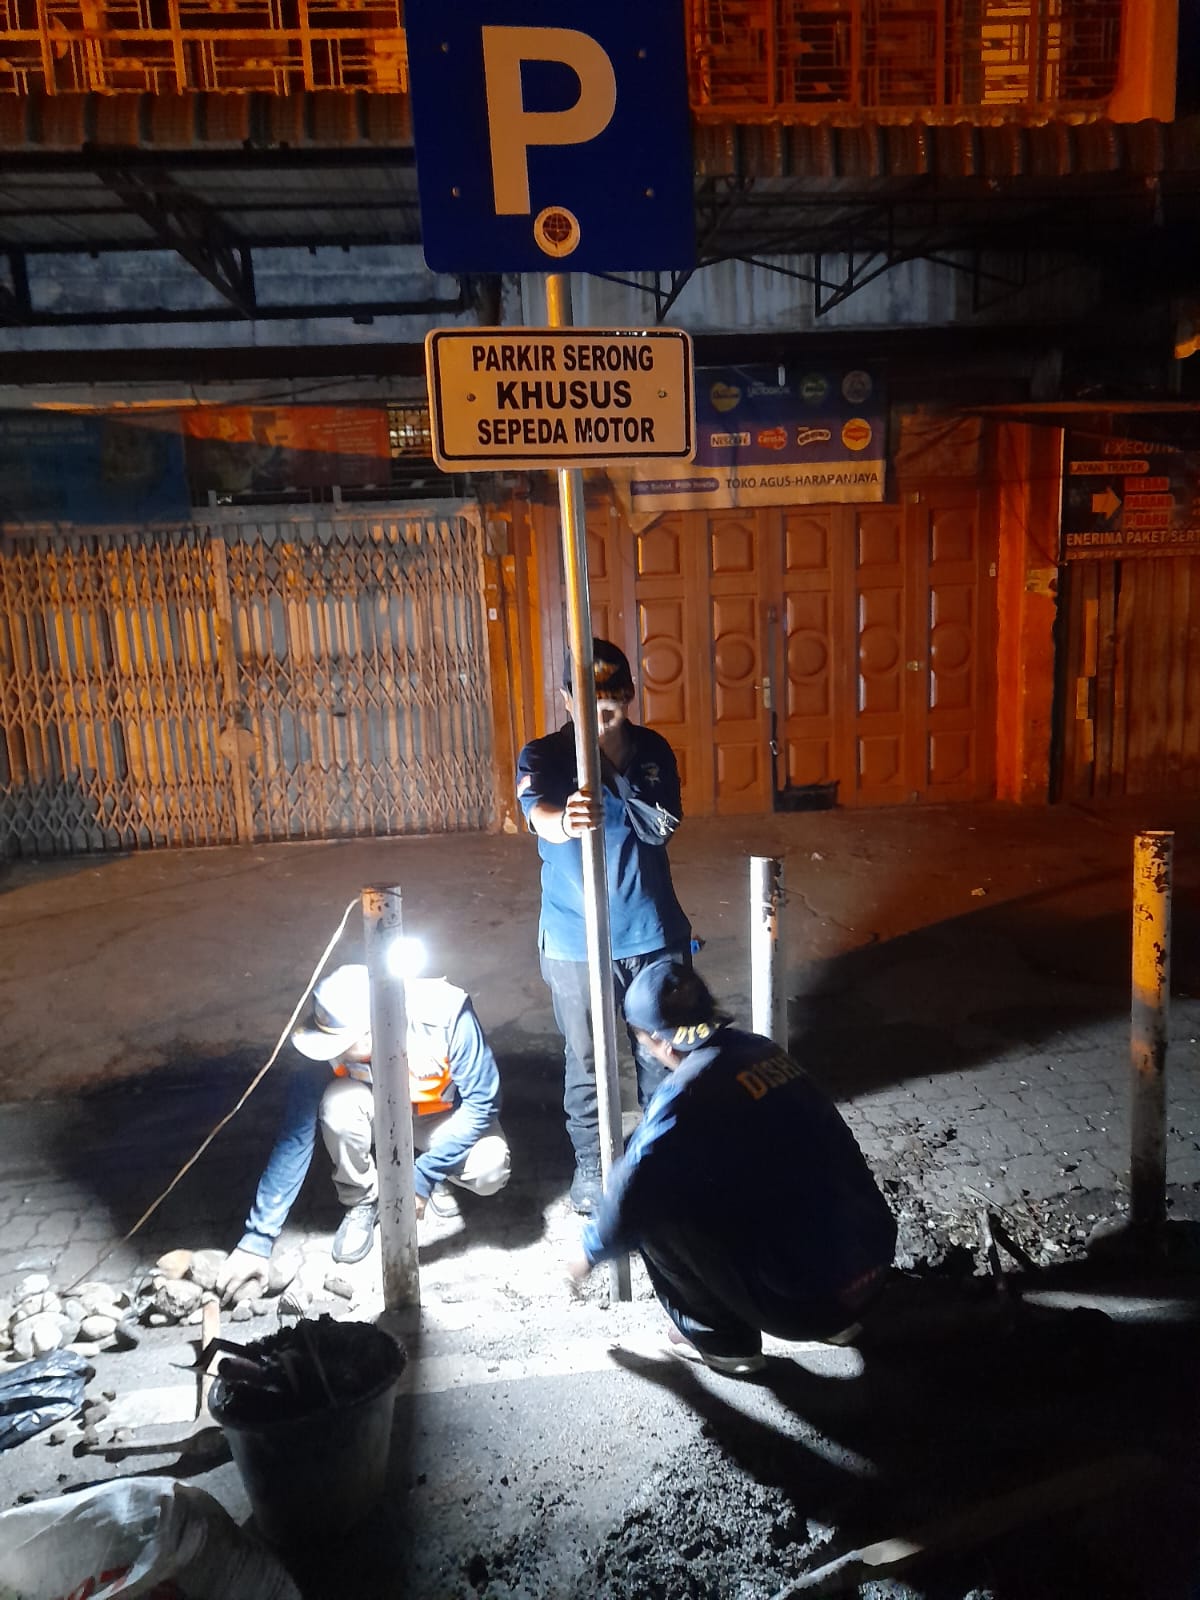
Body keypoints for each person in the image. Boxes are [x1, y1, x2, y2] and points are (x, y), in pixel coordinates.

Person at [567, 958, 897, 1376]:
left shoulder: (683, 1095)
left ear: (662, 1043)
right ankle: (838, 1319)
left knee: (653, 1203)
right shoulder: (763, 1050)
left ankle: (722, 1340)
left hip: (802, 1307)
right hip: (872, 1270)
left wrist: (588, 1251)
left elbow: (630, 1193)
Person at [516, 639, 692, 1215]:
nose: (602, 709)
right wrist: (566, 820)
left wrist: (610, 752)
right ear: (566, 698)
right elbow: (539, 816)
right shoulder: (543, 755)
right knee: (588, 1058)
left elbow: (660, 826)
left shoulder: (651, 750)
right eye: (589, 699)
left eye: (614, 698)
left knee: (661, 1052)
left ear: (630, 696)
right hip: (575, 940)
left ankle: (660, 1158)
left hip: (652, 932)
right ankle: (593, 1163)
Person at [217, 962, 510, 1303]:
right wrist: (257, 1240)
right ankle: (363, 1199)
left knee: (490, 1168)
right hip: (379, 1114)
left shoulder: (447, 1014)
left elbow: (483, 1105)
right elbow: (295, 1135)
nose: (336, 1053)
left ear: (374, 1029)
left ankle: (437, 1176)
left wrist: (424, 1177)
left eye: (344, 1044)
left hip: (441, 1119)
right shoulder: (329, 1037)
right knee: (337, 1105)